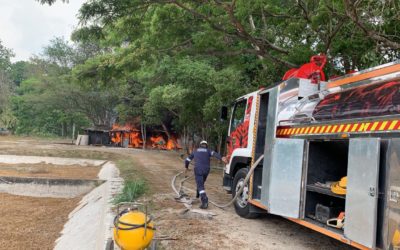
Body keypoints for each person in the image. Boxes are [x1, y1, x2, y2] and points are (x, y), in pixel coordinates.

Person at [185, 140, 227, 209]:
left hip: (198, 169)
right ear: (206, 145)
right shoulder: (208, 150)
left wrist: (186, 167)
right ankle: (198, 193)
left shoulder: (195, 151)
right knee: (201, 183)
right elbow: (215, 154)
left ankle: (205, 201)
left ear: (200, 145)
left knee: (200, 185)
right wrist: (222, 158)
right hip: (206, 170)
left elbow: (187, 160)